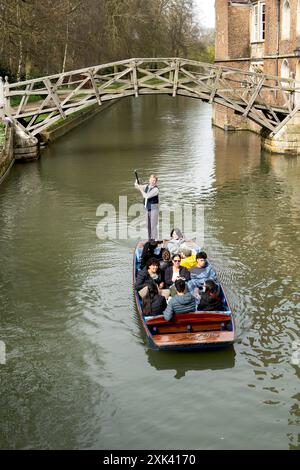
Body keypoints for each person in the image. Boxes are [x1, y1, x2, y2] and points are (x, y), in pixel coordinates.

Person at [135, 174, 159, 240]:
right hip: (147, 208)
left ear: (156, 182)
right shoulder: (146, 186)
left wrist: (141, 190)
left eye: (154, 180)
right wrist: (136, 182)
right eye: (151, 180)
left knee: (153, 226)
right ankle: (149, 239)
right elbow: (137, 186)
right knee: (148, 226)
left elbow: (146, 196)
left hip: (154, 208)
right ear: (149, 180)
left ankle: (154, 240)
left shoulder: (156, 189)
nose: (153, 181)